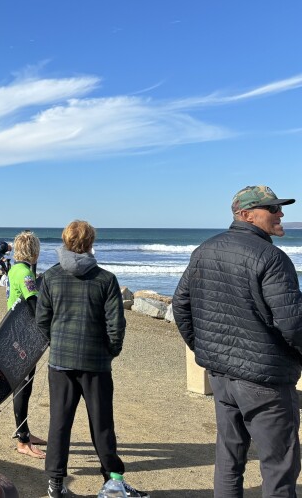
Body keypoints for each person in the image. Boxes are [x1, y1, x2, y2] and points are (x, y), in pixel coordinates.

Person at [173, 185, 301, 498]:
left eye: (278, 208)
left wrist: (205, 350)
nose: (280, 213)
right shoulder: (272, 258)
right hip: (264, 380)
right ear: (245, 215)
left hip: (222, 376)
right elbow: (294, 324)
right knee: (279, 466)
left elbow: (180, 305)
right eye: (272, 209)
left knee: (229, 457)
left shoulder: (204, 249)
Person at [36, 220, 148, 498]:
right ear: (90, 244)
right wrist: (111, 351)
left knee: (59, 423)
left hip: (60, 362)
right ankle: (113, 481)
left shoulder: (50, 277)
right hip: (96, 364)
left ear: (64, 241)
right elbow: (116, 325)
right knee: (102, 423)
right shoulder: (105, 279)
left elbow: (41, 321)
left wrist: (57, 344)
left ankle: (55, 484)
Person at [6, 230, 46, 459]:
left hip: (16, 334)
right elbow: (34, 307)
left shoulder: (15, 270)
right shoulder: (26, 275)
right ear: (33, 251)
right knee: (23, 386)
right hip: (24, 336)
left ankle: (25, 432)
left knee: (25, 386)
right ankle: (22, 440)